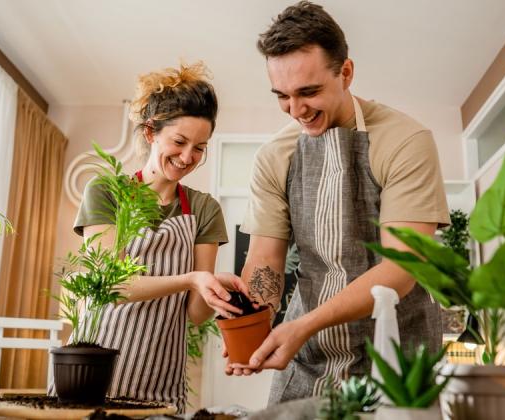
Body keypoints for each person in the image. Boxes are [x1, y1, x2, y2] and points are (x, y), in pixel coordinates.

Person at [215, 1, 451, 405]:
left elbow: (402, 269)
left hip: (399, 353)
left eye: (309, 92)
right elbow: (266, 262)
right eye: (282, 96)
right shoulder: (275, 157)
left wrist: (303, 325)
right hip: (309, 357)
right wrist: (252, 321)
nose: (296, 110)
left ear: (345, 72)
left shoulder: (404, 141)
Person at [73, 62, 246, 412]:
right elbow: (110, 286)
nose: (188, 157)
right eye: (179, 142)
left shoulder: (204, 208)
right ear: (151, 132)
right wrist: (191, 279)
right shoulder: (106, 191)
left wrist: (211, 285)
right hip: (92, 370)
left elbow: (196, 315)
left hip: (159, 382)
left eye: (200, 147)